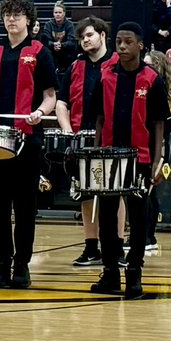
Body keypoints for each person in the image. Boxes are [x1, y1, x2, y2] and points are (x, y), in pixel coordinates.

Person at [0, 0, 59, 290]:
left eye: (17, 14)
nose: (11, 19)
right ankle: (1, 265)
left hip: (27, 140)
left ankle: (22, 265)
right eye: (7, 14)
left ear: (28, 20)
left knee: (25, 206)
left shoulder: (40, 51)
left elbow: (50, 97)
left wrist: (39, 113)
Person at [85, 23, 169, 299]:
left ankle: (134, 272)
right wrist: (96, 154)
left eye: (128, 42)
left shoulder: (153, 79)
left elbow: (159, 124)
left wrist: (158, 160)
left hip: (140, 158)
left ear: (140, 45)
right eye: (119, 41)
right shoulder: (106, 76)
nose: (122, 46)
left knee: (139, 217)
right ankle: (110, 272)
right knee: (107, 219)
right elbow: (98, 118)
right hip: (108, 156)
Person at [56, 16, 121, 268]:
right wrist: (68, 130)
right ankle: (91, 246)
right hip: (81, 135)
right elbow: (62, 103)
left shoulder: (118, 64)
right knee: (85, 192)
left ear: (103, 35)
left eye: (90, 35)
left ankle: (116, 246)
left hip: (112, 137)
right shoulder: (75, 67)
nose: (85, 40)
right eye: (82, 37)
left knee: (116, 191)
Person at [143, 48, 171, 253]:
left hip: (157, 146)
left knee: (149, 193)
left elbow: (162, 126)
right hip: (149, 143)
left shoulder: (160, 90)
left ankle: (148, 237)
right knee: (148, 193)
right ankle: (147, 235)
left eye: (149, 65)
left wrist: (161, 155)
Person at [41, 1, 76, 72]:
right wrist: (53, 44)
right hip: (52, 51)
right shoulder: (48, 24)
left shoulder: (69, 25)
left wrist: (61, 45)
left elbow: (71, 41)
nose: (58, 15)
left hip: (65, 52)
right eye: (56, 12)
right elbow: (46, 41)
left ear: (64, 13)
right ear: (53, 14)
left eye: (60, 12)